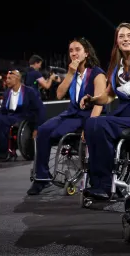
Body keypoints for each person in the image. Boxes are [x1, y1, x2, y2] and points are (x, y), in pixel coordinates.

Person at [81, 23, 130, 200]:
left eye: (129, 35)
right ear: (117, 42)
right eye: (121, 36)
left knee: (98, 124)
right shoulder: (117, 67)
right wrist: (93, 99)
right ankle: (100, 184)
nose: (126, 39)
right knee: (92, 123)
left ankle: (105, 185)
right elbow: (108, 96)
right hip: (123, 115)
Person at [27, 37, 106, 196]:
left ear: (86, 53)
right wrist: (70, 73)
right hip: (71, 113)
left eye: (77, 50)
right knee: (43, 130)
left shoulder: (97, 74)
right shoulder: (73, 73)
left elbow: (99, 103)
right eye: (71, 50)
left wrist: (90, 125)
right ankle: (42, 177)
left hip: (87, 115)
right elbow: (59, 94)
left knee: (56, 133)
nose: (74, 53)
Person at [0, 70, 44, 161]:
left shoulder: (29, 91)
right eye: (6, 78)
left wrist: (37, 128)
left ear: (17, 78)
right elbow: (3, 110)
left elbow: (39, 109)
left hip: (24, 117)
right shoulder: (7, 93)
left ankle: (3, 151)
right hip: (11, 116)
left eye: (10, 78)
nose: (7, 81)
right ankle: (4, 150)